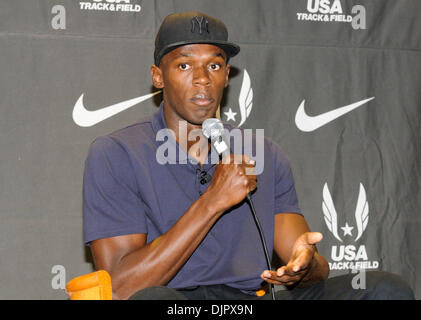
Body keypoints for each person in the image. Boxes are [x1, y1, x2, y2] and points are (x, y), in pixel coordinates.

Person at [82, 11, 414, 300]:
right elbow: (122, 287)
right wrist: (213, 201)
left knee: (384, 289)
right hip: (174, 302)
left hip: (247, 301)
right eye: (184, 65)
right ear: (158, 76)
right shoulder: (118, 153)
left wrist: (304, 263)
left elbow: (306, 261)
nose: (202, 79)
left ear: (226, 76)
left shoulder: (264, 152)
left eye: (214, 65)